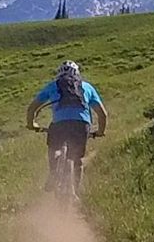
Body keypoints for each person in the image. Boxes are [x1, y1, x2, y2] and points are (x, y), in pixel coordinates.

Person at [27, 59, 106, 198]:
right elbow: (102, 114)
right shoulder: (86, 87)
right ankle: (76, 191)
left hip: (60, 124)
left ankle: (53, 173)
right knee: (77, 159)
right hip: (81, 125)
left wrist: (32, 124)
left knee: (53, 148)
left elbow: (32, 107)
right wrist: (100, 132)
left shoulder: (53, 86)